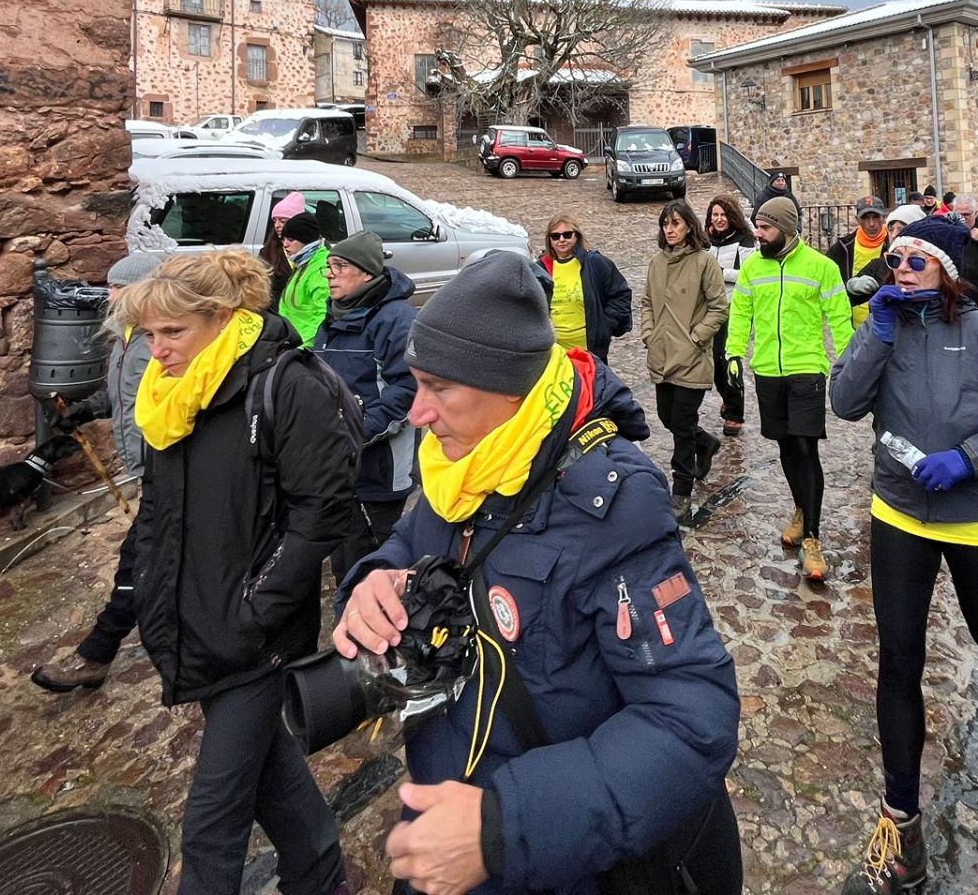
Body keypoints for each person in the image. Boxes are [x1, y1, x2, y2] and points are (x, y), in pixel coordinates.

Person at [333, 254, 740, 895]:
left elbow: (691, 715)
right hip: (446, 822)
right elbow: (407, 544)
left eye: (439, 388)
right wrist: (370, 584)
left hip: (551, 856)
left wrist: (506, 827)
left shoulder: (613, 503)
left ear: (510, 392)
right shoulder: (455, 463)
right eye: (417, 385)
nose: (418, 414)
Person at [115, 248, 361, 895]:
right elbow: (160, 514)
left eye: (173, 332)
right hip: (198, 625)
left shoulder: (283, 385)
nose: (156, 349)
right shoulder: (170, 400)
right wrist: (138, 600)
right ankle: (324, 880)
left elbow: (322, 510)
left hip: (257, 642)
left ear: (222, 318)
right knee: (274, 779)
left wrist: (256, 611)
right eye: (148, 334)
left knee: (210, 825)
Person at [831, 234, 978, 894]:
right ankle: (901, 824)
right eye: (894, 260)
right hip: (899, 513)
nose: (899, 269)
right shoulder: (887, 329)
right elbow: (845, 404)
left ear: (947, 271)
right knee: (898, 658)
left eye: (915, 259)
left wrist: (971, 456)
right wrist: (875, 330)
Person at [32, 249, 168, 693]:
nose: (109, 295)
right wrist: (86, 410)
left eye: (118, 287)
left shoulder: (164, 340)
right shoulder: (125, 336)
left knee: (137, 561)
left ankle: (96, 654)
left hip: (172, 468)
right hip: (150, 471)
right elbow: (122, 394)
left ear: (147, 291)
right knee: (157, 557)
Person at [727, 196, 854, 583]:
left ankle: (813, 537)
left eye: (764, 228)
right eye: (757, 227)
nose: (758, 234)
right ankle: (801, 509)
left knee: (804, 445)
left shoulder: (822, 267)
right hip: (767, 370)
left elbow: (840, 318)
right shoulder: (752, 267)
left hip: (806, 370)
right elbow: (741, 313)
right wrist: (734, 353)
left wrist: (850, 364)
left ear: (785, 227)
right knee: (785, 445)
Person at [314, 231, 419, 575]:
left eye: (339, 266)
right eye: (328, 266)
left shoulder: (395, 319)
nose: (330, 273)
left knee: (370, 564)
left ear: (367, 274)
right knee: (344, 558)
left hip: (378, 470)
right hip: (338, 465)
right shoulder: (334, 315)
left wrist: (352, 434)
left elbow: (406, 391)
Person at [643, 200, 730, 519]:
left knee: (680, 422)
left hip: (692, 357)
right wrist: (648, 334)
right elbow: (647, 302)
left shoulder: (705, 262)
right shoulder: (656, 262)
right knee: (668, 417)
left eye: (676, 223)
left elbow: (719, 308)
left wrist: (696, 338)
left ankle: (681, 490)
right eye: (666, 223)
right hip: (662, 354)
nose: (670, 229)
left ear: (689, 226)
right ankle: (704, 443)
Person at [537, 214, 633, 363]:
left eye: (567, 235)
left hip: (590, 353)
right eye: (555, 236)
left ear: (577, 236)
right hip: (556, 355)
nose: (561, 240)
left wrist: (605, 326)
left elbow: (620, 294)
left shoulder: (594, 263)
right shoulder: (541, 270)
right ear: (549, 240)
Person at [705, 195, 756, 435]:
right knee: (713, 361)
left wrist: (720, 272)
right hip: (710, 307)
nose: (719, 219)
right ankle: (727, 396)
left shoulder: (744, 239)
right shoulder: (706, 241)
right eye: (715, 214)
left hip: (734, 306)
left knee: (728, 359)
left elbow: (748, 274)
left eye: (723, 214)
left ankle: (735, 413)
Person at [826, 196, 892, 332]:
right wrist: (849, 287)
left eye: (876, 217)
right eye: (865, 218)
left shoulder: (894, 246)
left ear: (884, 218)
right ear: (857, 220)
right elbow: (827, 284)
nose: (871, 223)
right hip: (852, 327)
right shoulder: (842, 248)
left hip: (887, 325)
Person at [274, 210, 332, 346]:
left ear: (305, 240)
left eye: (291, 239)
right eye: (283, 239)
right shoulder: (303, 263)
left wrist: (302, 348)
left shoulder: (320, 268)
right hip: (291, 341)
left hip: (304, 348)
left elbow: (322, 317)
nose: (285, 244)